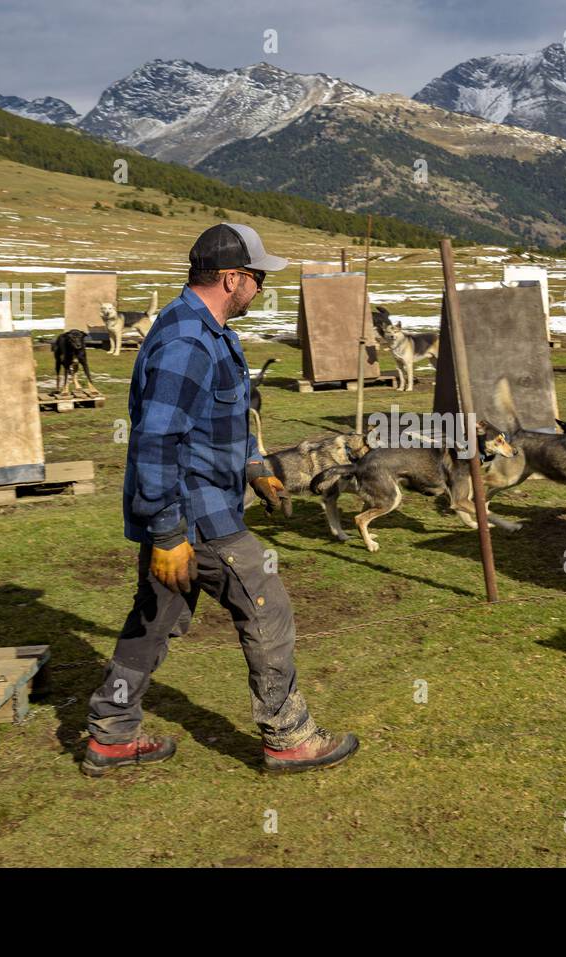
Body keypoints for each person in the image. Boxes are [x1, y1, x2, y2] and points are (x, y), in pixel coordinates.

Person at [83, 223, 359, 776]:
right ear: (231, 277)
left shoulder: (215, 333)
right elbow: (157, 439)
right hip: (195, 514)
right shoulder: (186, 341)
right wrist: (166, 533)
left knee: (153, 621)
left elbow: (219, 422)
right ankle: (288, 736)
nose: (261, 288)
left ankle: (110, 734)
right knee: (267, 606)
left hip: (203, 506)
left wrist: (256, 468)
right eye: (257, 278)